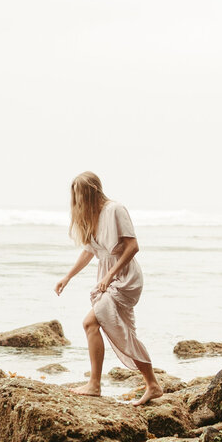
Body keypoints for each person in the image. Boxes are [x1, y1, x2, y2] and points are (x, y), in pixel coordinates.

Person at [54, 171, 163, 404]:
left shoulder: (115, 210)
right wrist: (68, 277)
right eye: (75, 197)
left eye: (81, 196)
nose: (78, 202)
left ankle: (96, 384)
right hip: (107, 276)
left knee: (92, 323)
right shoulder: (91, 216)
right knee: (116, 329)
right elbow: (90, 251)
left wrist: (110, 276)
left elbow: (133, 246)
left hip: (125, 277)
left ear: (92, 191)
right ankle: (151, 385)